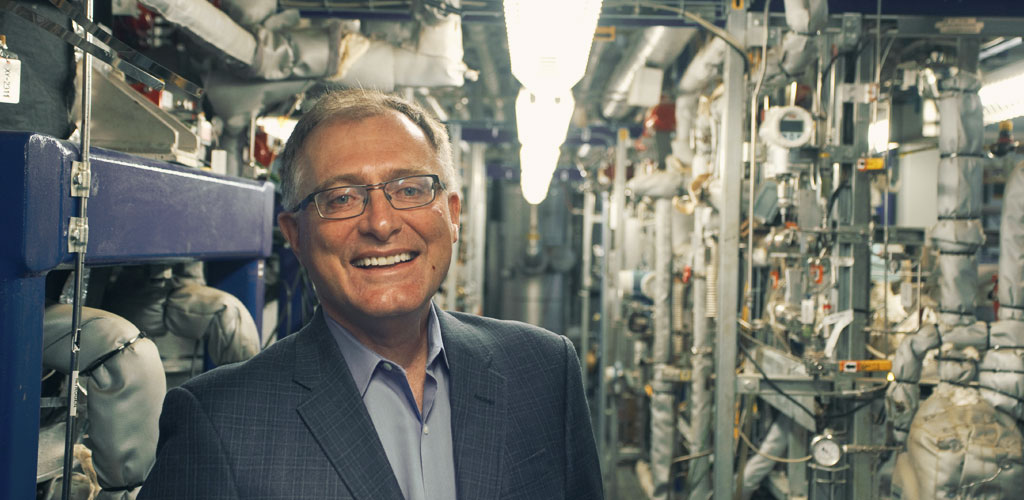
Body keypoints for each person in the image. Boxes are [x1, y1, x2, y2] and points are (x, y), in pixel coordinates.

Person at [139, 89, 603, 499]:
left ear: (453, 214)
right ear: (295, 235)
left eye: (411, 189)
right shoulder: (220, 423)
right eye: (341, 198)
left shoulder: (543, 371)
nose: (381, 223)